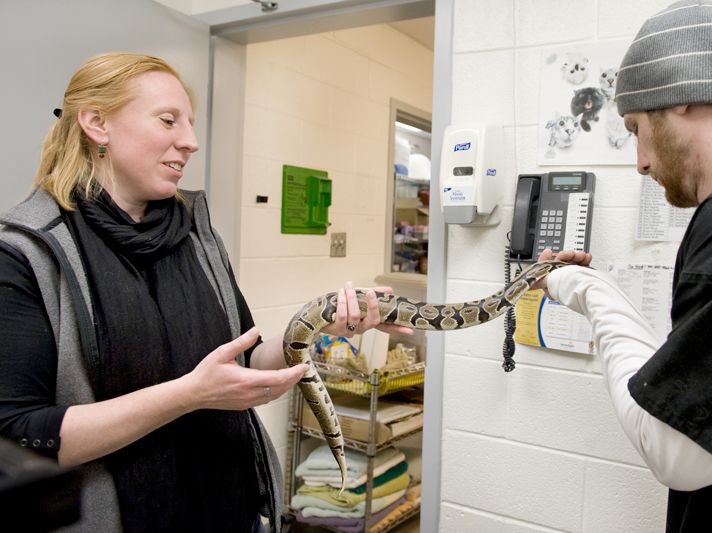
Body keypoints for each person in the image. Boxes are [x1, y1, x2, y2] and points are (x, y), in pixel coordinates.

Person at [0, 52, 408, 533]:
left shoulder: (196, 235)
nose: (190, 142)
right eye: (168, 120)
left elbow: (245, 357)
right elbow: (20, 437)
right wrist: (189, 395)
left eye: (191, 123)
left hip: (233, 512)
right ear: (97, 124)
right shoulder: (27, 253)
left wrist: (319, 324)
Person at [535, 1, 712, 531]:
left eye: (635, 128)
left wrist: (589, 293)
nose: (641, 162)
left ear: (678, 96)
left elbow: (674, 453)